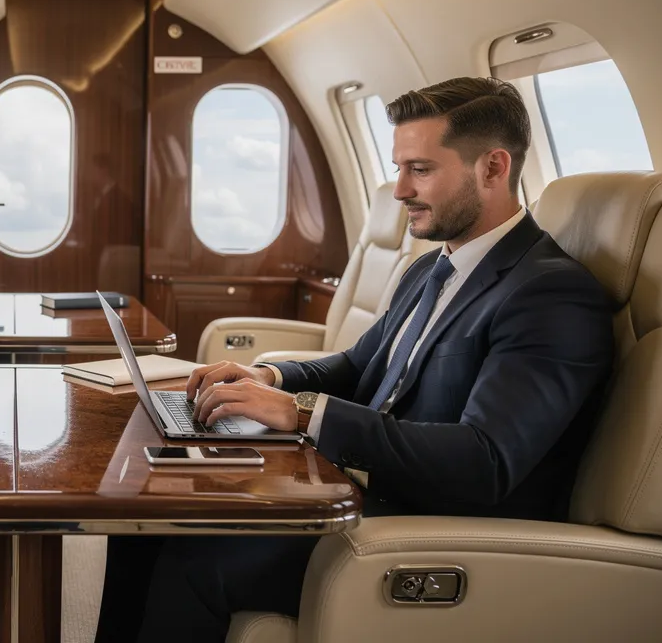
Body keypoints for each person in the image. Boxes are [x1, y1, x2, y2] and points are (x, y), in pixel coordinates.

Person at [95, 77, 615, 643]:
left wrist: (300, 413)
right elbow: (356, 365)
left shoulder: (549, 295)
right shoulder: (431, 270)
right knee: (145, 521)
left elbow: (484, 461)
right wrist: (266, 377)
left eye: (420, 169)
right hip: (361, 490)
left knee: (195, 561)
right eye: (398, 167)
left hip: (426, 531)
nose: (399, 191)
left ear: (493, 168)